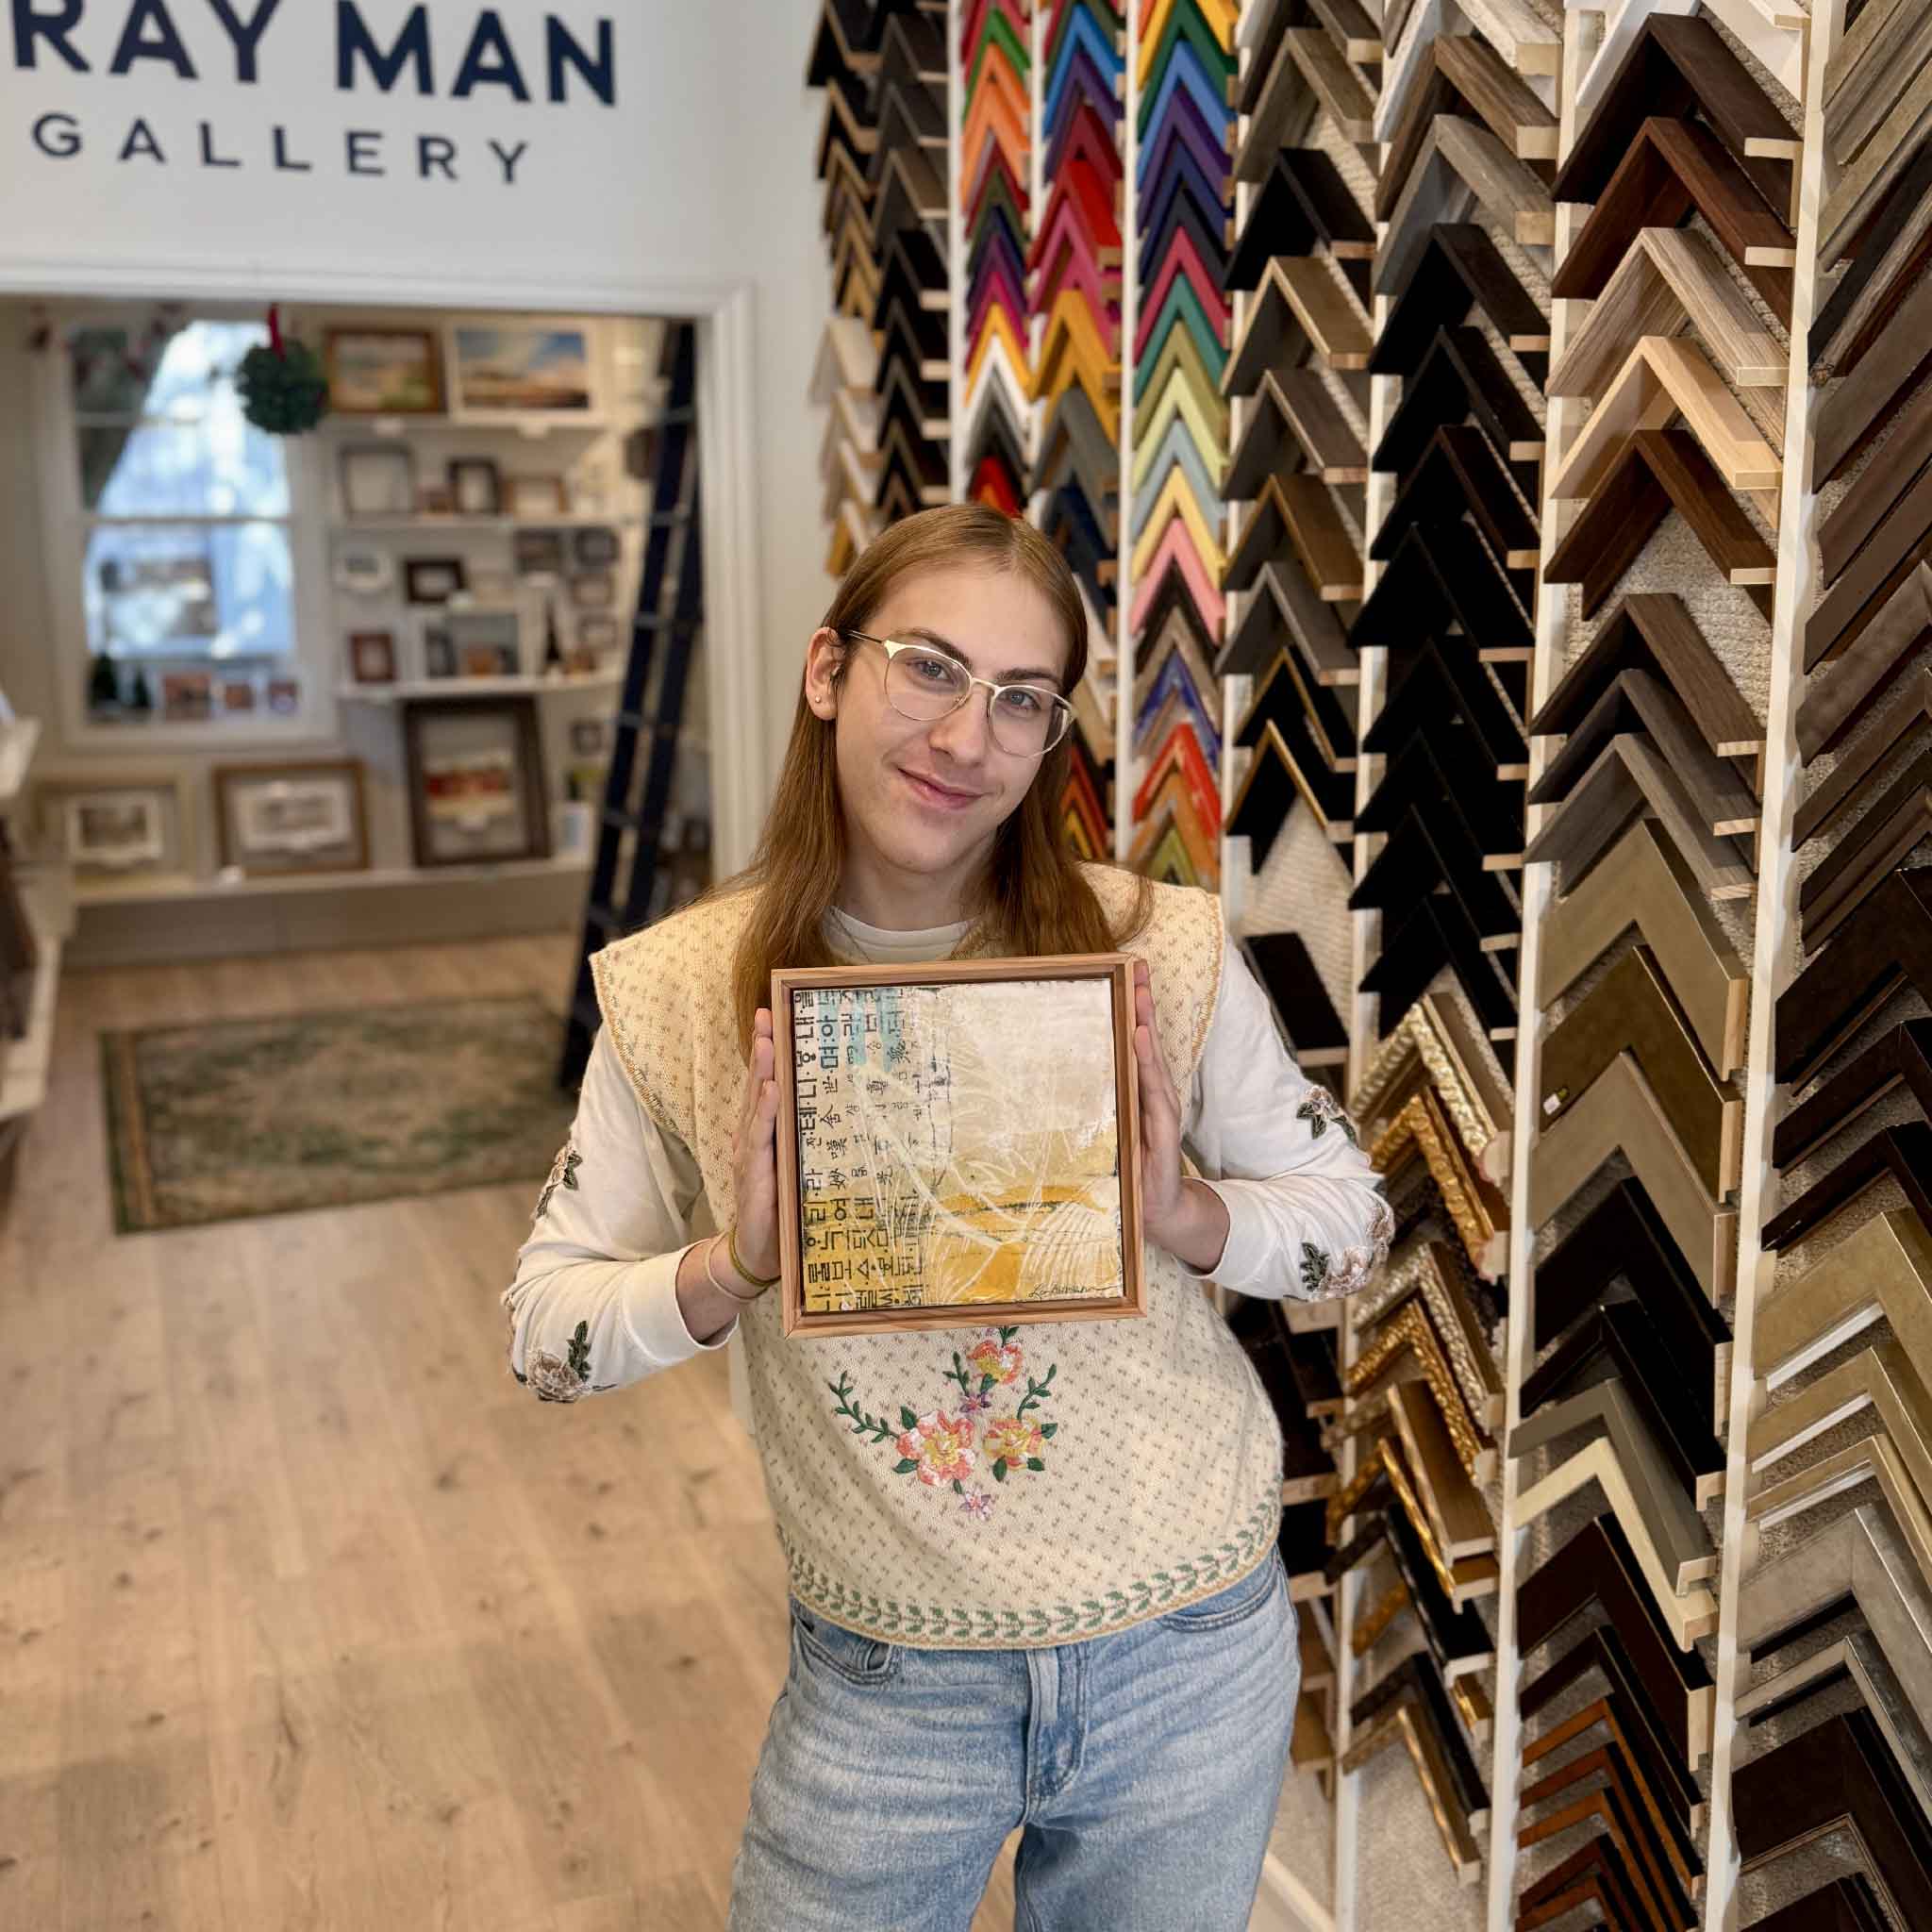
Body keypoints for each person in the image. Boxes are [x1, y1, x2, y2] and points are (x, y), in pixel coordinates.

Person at [503, 503, 1392, 1930]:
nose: (967, 735)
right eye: (927, 667)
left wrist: (1187, 1213)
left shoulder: (1151, 951)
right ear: (825, 671)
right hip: (885, 1678)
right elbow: (547, 1339)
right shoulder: (677, 992)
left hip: (1188, 1647)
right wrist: (734, 1268)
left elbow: (1355, 1228)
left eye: (1020, 698)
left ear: (1050, 740)